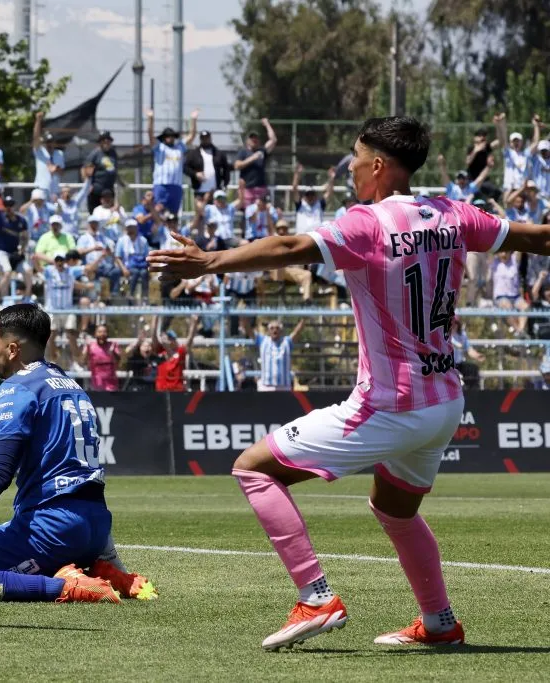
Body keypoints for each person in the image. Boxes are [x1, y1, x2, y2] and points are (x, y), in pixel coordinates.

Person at [148, 115, 550, 650]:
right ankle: (439, 623)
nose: (349, 169)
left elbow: (290, 248)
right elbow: (539, 238)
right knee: (394, 510)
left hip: (391, 405)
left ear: (378, 165)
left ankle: (316, 598)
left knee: (253, 468)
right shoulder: (454, 213)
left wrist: (210, 261)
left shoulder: (368, 222)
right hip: (444, 402)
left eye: (355, 159)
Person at [0, 303, 157, 604]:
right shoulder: (70, 384)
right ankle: (102, 570)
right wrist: (109, 555)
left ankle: (65, 587)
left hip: (52, 527)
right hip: (97, 526)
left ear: (12, 349)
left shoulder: (16, 388)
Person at [146, 108, 198, 215]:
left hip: (176, 185)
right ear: (164, 138)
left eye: (172, 136)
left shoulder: (179, 147)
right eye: (168, 136)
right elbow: (150, 135)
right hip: (161, 185)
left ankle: (173, 226)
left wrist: (193, 120)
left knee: (173, 215)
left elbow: (191, 136)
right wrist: (150, 118)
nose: (170, 138)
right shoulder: (159, 147)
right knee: (158, 211)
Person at [0, 192, 32, 302]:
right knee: (7, 271)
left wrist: (22, 250)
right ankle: (5, 300)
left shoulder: (21, 220)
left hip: (14, 253)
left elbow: (25, 236)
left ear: (14, 206)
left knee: (28, 271)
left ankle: (27, 297)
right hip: (1, 251)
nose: (9, 207)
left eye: (11, 205)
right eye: (6, 205)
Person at [234, 119, 278, 205]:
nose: (254, 140)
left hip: (260, 189)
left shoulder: (262, 151)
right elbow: (237, 165)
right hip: (247, 189)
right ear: (247, 140)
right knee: (248, 211)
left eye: (256, 138)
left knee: (262, 211)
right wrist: (252, 158)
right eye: (252, 138)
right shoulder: (243, 152)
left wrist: (267, 124)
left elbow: (273, 140)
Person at [255, 319, 304, 391]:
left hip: (284, 386)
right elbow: (247, 329)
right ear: (268, 331)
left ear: (281, 331)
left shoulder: (287, 342)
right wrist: (242, 315)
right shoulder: (263, 341)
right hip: (266, 387)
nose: (274, 330)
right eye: (272, 328)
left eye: (277, 328)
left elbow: (297, 331)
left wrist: (304, 319)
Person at [184, 129, 231, 199]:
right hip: (199, 190)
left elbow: (226, 169)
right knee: (200, 206)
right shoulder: (193, 154)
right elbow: (185, 168)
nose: (205, 140)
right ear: (200, 139)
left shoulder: (219, 153)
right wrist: (195, 174)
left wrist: (225, 184)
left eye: (207, 138)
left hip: (215, 191)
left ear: (210, 138)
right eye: (203, 138)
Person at [32, 112, 65, 199]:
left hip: (54, 192)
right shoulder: (40, 151)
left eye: (51, 142)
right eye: (47, 142)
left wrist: (56, 169)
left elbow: (62, 172)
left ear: (54, 142)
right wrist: (38, 121)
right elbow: (36, 137)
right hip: (41, 190)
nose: (49, 144)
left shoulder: (59, 154)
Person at [85, 131, 119, 213]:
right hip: (97, 191)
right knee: (95, 215)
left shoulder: (113, 153)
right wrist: (88, 185)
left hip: (109, 192)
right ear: (100, 142)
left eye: (108, 140)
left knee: (110, 215)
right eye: (104, 140)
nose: (106, 142)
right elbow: (86, 168)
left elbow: (115, 170)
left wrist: (121, 182)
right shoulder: (95, 153)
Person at [83, 324, 120, 392]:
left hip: (112, 385)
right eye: (99, 332)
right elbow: (83, 362)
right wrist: (87, 349)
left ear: (107, 333)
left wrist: (113, 353)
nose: (102, 334)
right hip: (97, 385)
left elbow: (119, 361)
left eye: (104, 332)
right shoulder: (90, 346)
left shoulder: (113, 345)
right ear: (95, 334)